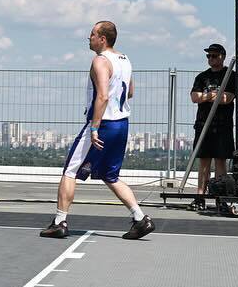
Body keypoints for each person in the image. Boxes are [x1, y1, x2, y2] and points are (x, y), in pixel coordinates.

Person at [40, 21, 154, 241]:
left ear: (103, 39)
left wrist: (94, 127)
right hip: (122, 123)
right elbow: (129, 92)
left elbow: (102, 95)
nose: (88, 38)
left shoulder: (100, 61)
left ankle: (59, 222)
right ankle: (140, 219)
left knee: (70, 171)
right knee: (111, 176)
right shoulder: (125, 59)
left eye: (92, 34)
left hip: (103, 123)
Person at [190, 42, 238, 206]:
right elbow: (194, 97)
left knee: (220, 160)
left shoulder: (230, 75)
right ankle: (200, 196)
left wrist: (206, 96)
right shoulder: (202, 77)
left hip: (222, 124)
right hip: (203, 123)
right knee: (203, 160)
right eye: (208, 55)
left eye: (214, 55)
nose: (211, 58)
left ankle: (220, 196)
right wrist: (212, 94)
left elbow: (227, 99)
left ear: (222, 57)